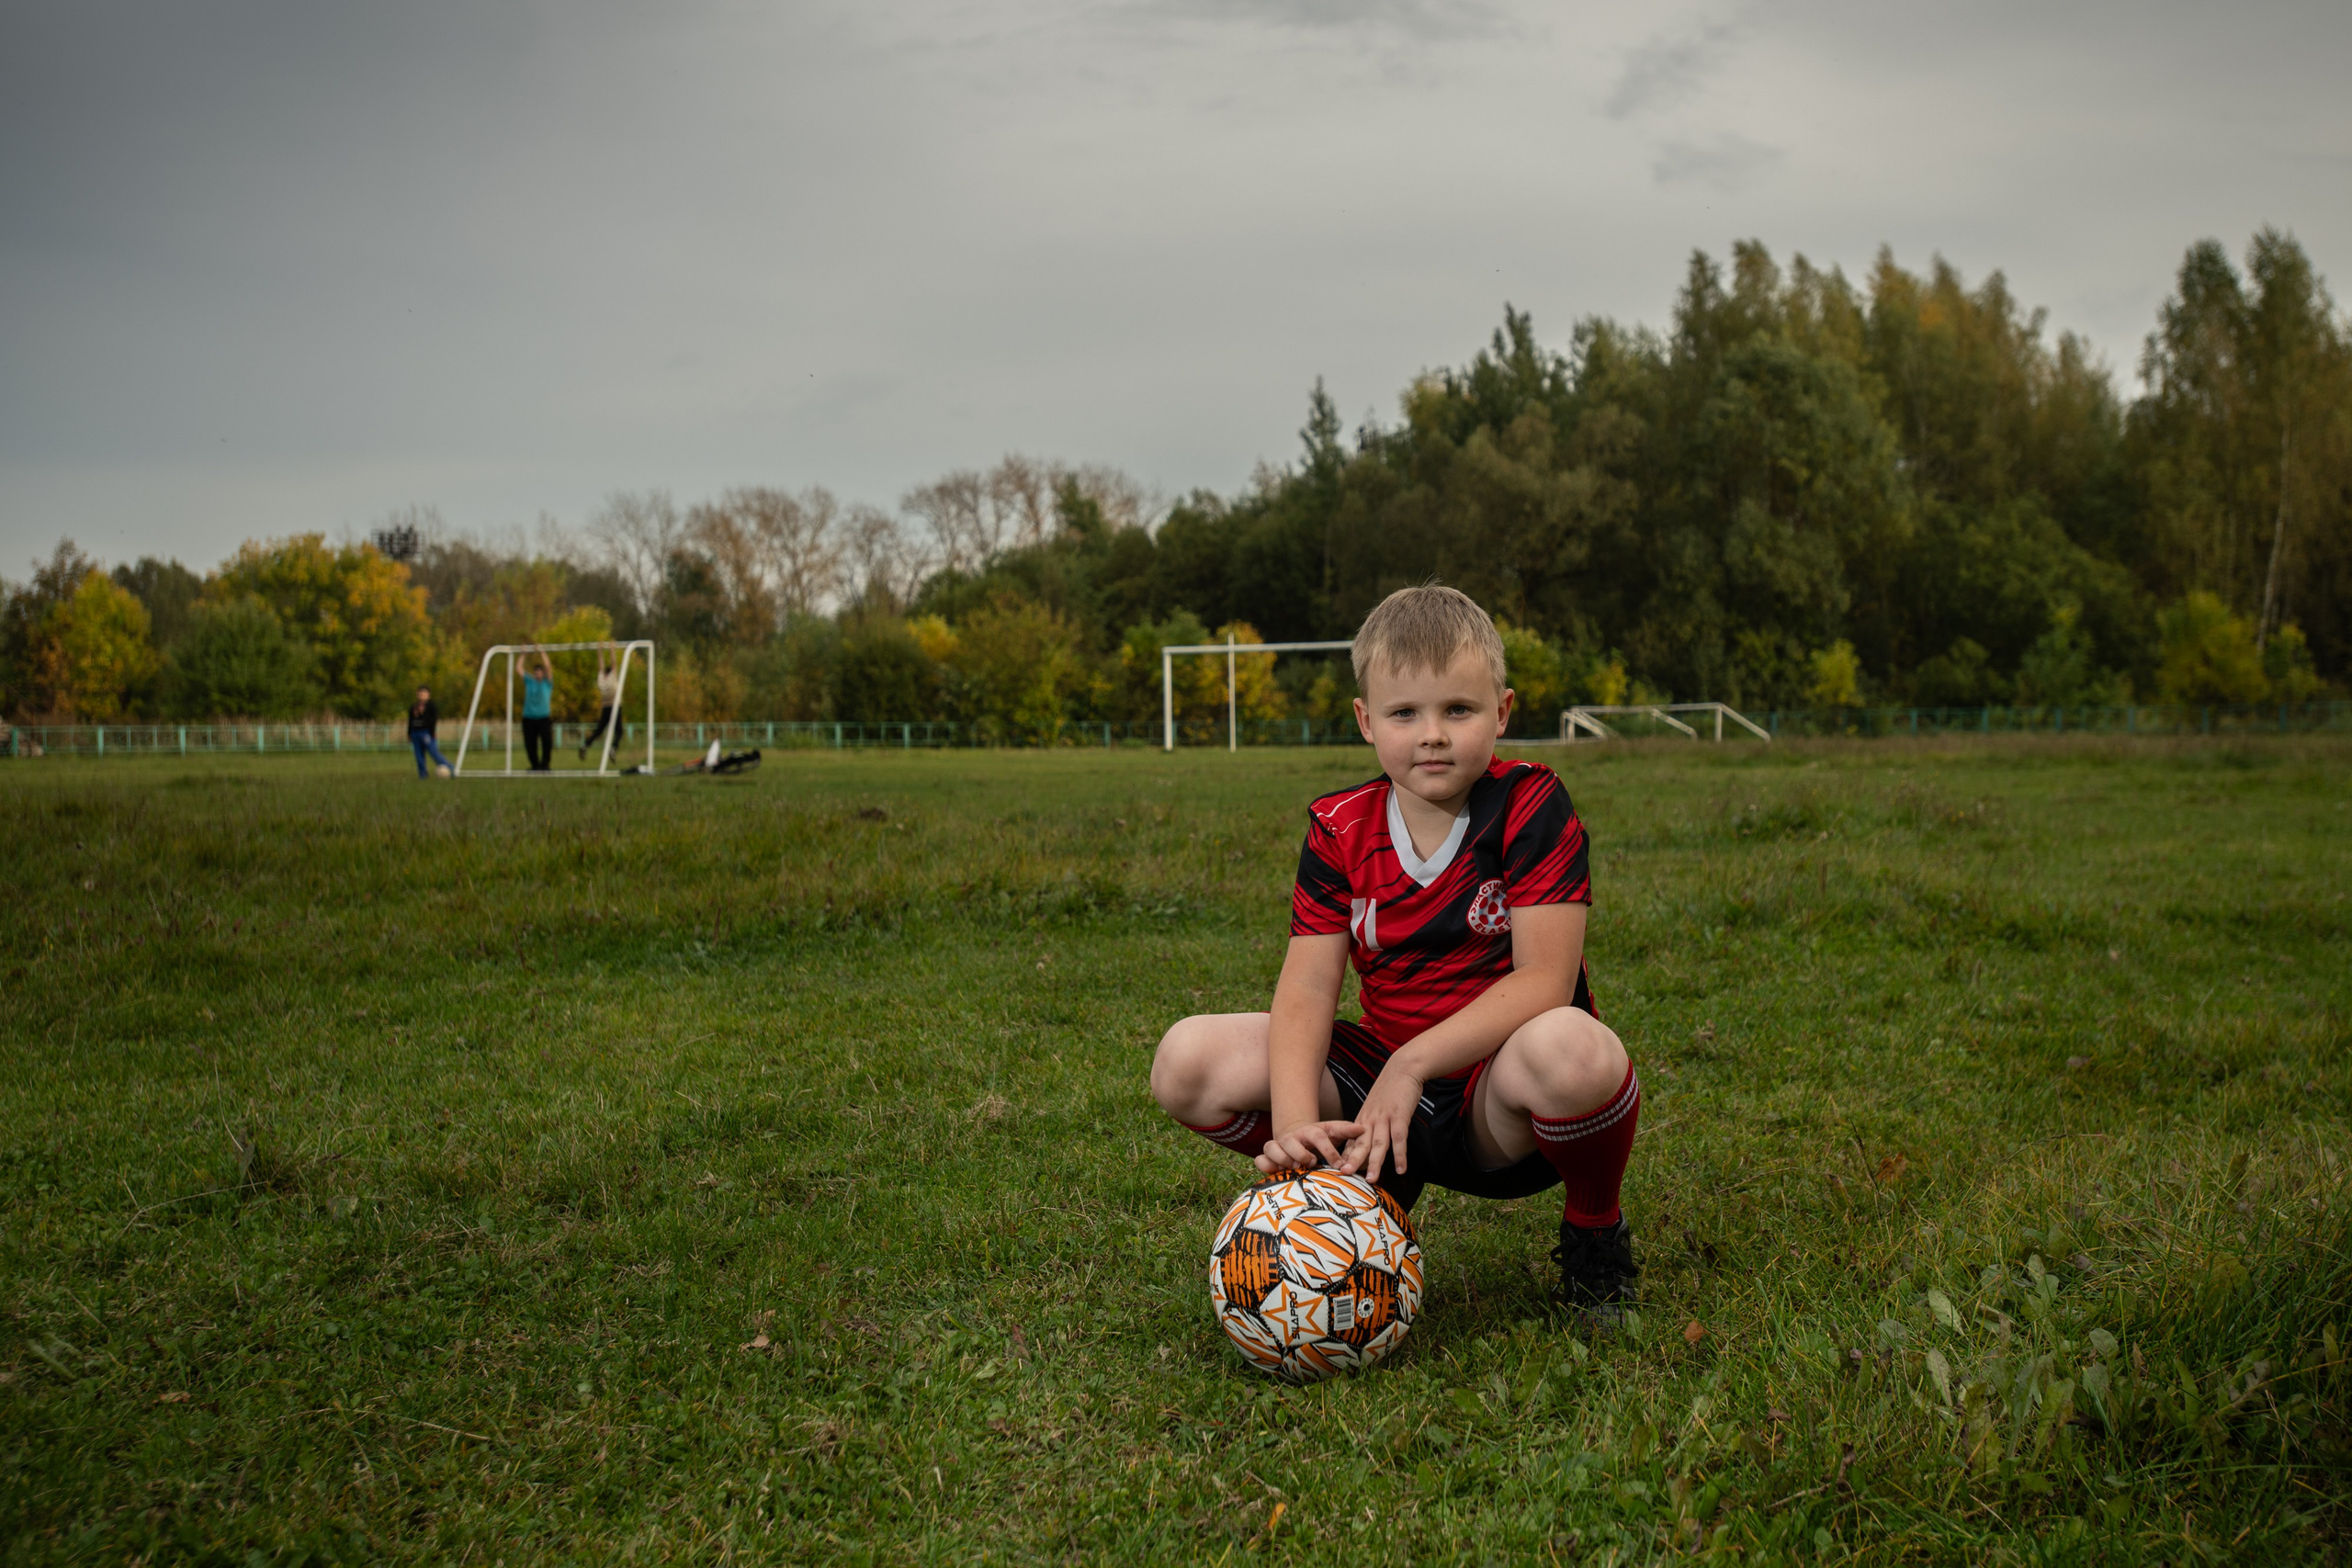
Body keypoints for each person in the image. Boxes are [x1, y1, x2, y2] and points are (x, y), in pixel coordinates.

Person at [1149, 585, 1641, 1315]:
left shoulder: (1532, 805)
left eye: (1458, 710)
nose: (1432, 734)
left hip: (1495, 1102)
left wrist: (1414, 1063)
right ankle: (1350, 1184)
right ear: (1366, 722)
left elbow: (1545, 978)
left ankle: (1595, 1229)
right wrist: (1293, 1131)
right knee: (1185, 1060)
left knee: (1577, 1049)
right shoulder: (1339, 827)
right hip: (1379, 1092)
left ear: (1502, 713)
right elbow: (1310, 990)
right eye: (1405, 712)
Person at [579, 649, 620, 761]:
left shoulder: (602, 680)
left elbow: (601, 667)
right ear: (611, 673)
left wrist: (600, 652)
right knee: (619, 731)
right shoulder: (613, 678)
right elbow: (614, 663)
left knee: (599, 731)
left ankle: (585, 744)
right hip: (615, 706)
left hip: (605, 707)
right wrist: (612, 649)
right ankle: (613, 748)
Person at [519, 649, 555, 772]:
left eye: (540, 672)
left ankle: (545, 765)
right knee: (530, 744)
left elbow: (549, 667)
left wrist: (542, 652)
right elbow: (518, 669)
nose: (538, 674)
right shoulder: (529, 681)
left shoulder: (547, 683)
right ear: (534, 674)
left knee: (547, 742)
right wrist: (523, 654)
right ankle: (535, 766)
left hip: (543, 717)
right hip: (528, 718)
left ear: (543, 674)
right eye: (536, 673)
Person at [407, 686, 453, 778]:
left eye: (424, 694)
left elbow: (433, 720)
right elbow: (410, 720)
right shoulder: (414, 706)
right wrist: (409, 733)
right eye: (420, 694)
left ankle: (450, 768)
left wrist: (432, 731)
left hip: (426, 732)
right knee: (419, 755)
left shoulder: (431, 706)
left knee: (433, 752)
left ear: (428, 695)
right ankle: (423, 774)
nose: (422, 696)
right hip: (415, 732)